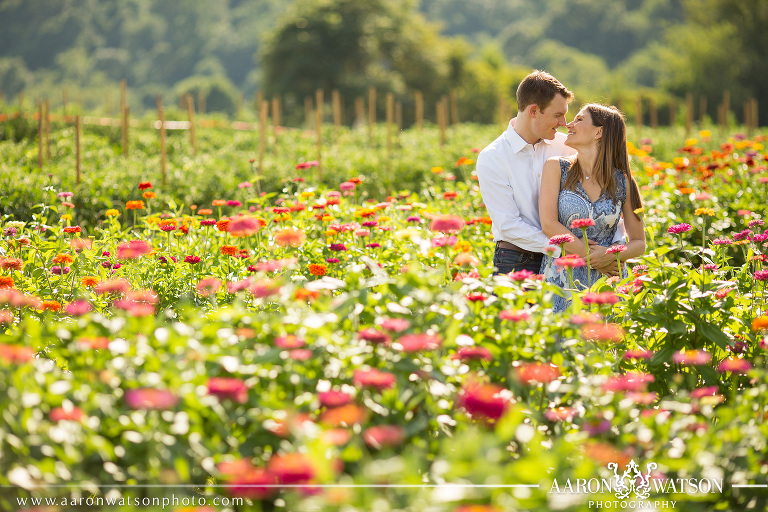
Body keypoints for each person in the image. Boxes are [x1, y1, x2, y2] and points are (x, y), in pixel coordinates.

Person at [476, 70, 622, 276]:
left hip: (569, 261)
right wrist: (579, 252)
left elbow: (607, 197)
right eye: (557, 115)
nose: (564, 122)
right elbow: (508, 225)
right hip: (517, 261)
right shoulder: (493, 157)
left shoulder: (568, 146)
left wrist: (607, 251)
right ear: (534, 111)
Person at [539, 103, 646, 312]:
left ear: (599, 132)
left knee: (605, 343)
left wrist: (610, 255)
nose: (569, 124)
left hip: (608, 283)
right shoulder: (556, 168)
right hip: (562, 279)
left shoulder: (623, 181)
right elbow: (549, 224)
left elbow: (639, 242)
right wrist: (596, 259)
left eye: (579, 119)